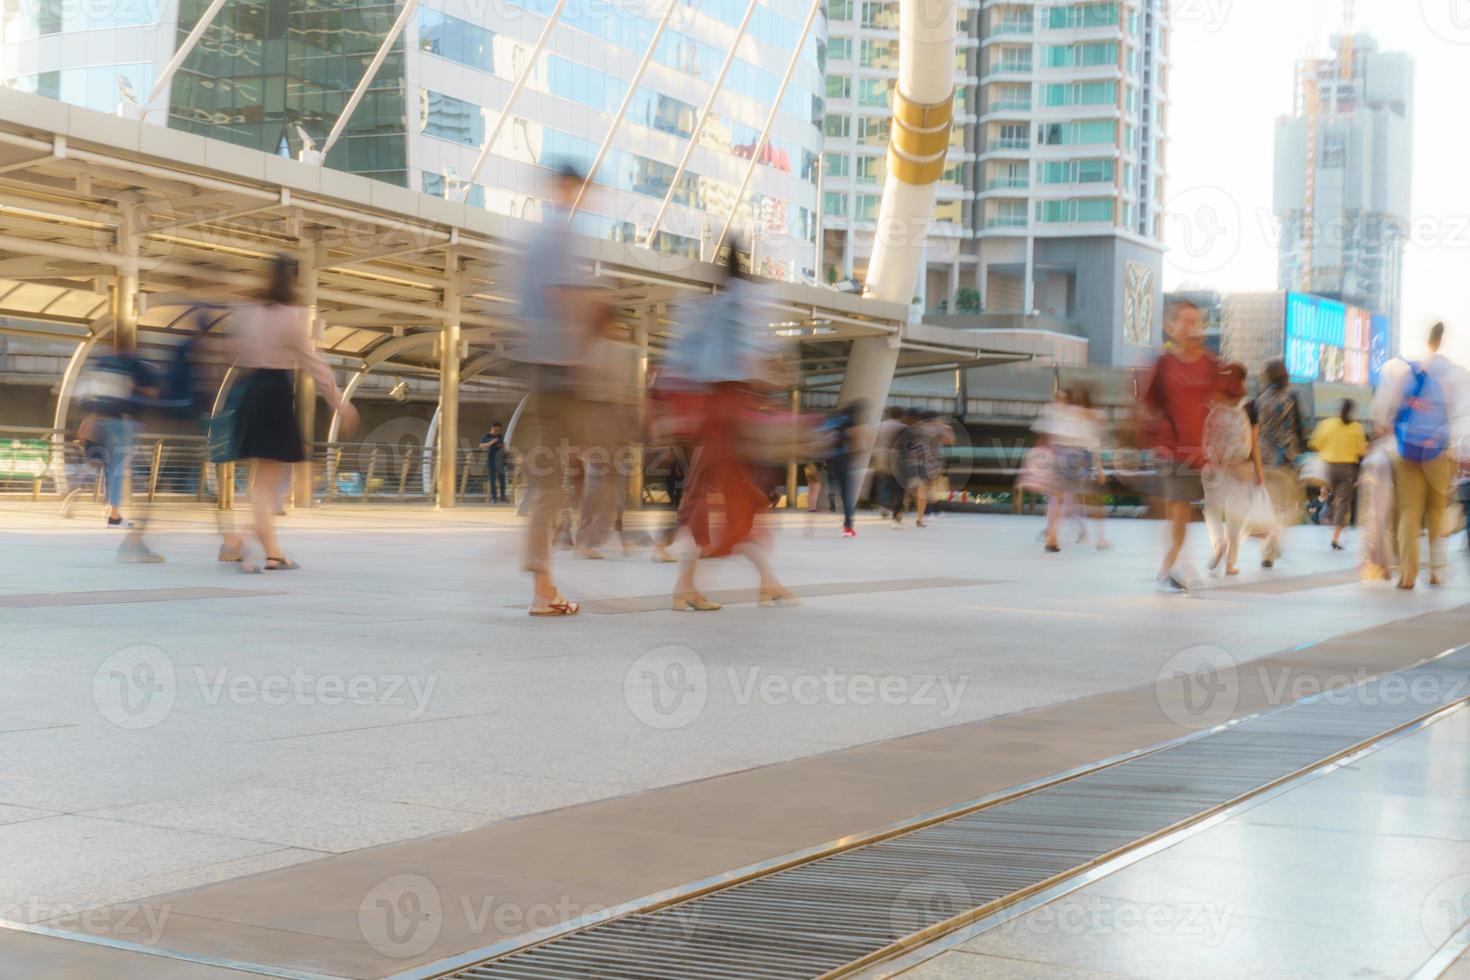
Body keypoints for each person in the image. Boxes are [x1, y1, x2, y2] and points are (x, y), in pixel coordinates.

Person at [661, 243, 795, 611]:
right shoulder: (744, 304)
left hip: (711, 412)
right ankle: (691, 586)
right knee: (734, 500)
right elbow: (759, 357)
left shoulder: (706, 308)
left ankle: (763, 581)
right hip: (733, 413)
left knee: (726, 497)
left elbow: (681, 358)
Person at [222, 255, 357, 570]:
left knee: (262, 480)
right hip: (275, 393)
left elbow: (233, 353)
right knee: (267, 481)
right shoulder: (294, 316)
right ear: (293, 279)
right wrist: (340, 403)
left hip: (251, 392)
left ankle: (265, 547)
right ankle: (255, 546)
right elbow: (313, 363)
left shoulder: (249, 313)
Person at [514, 165, 596, 615]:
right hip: (557, 369)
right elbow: (562, 297)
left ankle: (542, 584)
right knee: (552, 485)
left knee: (549, 480)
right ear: (570, 187)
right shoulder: (559, 235)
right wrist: (579, 362)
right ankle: (541, 586)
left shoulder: (529, 238)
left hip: (537, 364)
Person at [1372, 321, 1466, 589]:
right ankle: (1436, 570)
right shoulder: (1452, 372)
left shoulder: (1403, 368)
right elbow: (1461, 414)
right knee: (1437, 511)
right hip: (1440, 452)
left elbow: (1382, 408)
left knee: (1408, 512)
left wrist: (1385, 425)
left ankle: (1408, 574)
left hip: (1407, 450)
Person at [1141, 299, 1220, 593]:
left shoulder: (1211, 364)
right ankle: (1174, 565)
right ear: (1170, 327)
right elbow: (1148, 405)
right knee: (1179, 508)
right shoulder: (1163, 364)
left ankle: (1169, 566)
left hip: (1199, 450)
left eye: (1195, 321)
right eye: (1184, 321)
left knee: (1182, 510)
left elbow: (1223, 403)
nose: (1190, 327)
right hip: (1171, 447)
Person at [1201, 363, 1266, 576]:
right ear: (1242, 381)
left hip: (1214, 466)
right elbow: (1254, 444)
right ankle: (1230, 563)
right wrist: (1259, 472)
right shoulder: (1250, 406)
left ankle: (1217, 543)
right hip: (1240, 468)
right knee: (1235, 515)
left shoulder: (1211, 402)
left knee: (1211, 509)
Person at [1034, 386, 1108, 552]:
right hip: (1079, 453)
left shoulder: (1058, 411)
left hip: (1060, 452)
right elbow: (1095, 441)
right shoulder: (1089, 415)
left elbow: (1048, 433)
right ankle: (1101, 538)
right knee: (1088, 497)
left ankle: (1052, 537)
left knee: (1058, 497)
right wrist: (1099, 467)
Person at [1310, 399, 1369, 552]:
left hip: (1328, 467)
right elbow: (1361, 452)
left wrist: (1329, 449)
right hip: (1347, 469)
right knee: (1342, 501)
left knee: (1331, 495)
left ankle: (1325, 518)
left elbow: (1315, 443)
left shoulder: (1327, 424)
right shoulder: (1357, 428)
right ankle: (1335, 538)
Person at [1253, 360, 1307, 467]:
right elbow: (1299, 426)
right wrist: (1303, 448)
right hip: (1285, 454)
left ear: (1267, 376)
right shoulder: (1291, 397)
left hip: (1262, 453)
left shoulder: (1260, 398)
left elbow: (1255, 426)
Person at [480, 422, 507, 503]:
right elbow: (481, 446)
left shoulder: (500, 436)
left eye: (499, 431)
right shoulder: (487, 436)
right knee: (492, 480)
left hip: (500, 460)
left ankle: (503, 497)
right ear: (492, 428)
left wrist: (502, 446)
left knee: (502, 479)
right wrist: (492, 442)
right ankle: (494, 498)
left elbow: (502, 445)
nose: (497, 432)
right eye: (496, 430)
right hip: (491, 460)